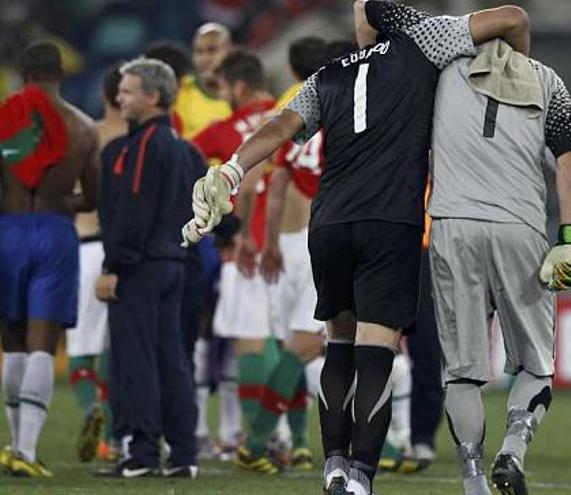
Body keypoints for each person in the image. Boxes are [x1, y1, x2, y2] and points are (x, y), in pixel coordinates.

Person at [182, 2, 531, 493]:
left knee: (337, 349)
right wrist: (513, 89)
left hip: (329, 224)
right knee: (377, 355)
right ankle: (362, 478)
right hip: (389, 222)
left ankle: (335, 468)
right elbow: (514, 18)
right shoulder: (424, 42)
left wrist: (233, 169)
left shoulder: (327, 73)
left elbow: (280, 127)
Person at [426, 33, 571, 495]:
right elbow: (570, 158)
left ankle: (474, 484)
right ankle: (513, 449)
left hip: (453, 226)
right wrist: (570, 236)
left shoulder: (442, 74)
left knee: (462, 370)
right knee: (536, 363)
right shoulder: (547, 79)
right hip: (522, 228)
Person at [96, 58, 200, 478]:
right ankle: (183, 453)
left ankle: (140, 452)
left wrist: (113, 265)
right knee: (171, 359)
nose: (118, 97)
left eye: (127, 90)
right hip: (175, 265)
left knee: (134, 359)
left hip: (140, 266)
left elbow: (132, 210)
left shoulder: (139, 145)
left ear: (153, 96)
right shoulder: (183, 146)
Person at [0, 41, 100, 477]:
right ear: (61, 74)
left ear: (23, 76)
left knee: (13, 343)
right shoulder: (82, 127)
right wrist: (61, 202)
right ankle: (25, 450)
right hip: (56, 235)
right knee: (44, 342)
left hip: (8, 231)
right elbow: (95, 196)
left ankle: (12, 446)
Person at [188, 49, 279, 469]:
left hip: (245, 248)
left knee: (242, 341)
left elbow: (185, 160)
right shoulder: (288, 116)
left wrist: (226, 226)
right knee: (289, 341)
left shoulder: (224, 130)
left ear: (237, 87)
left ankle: (246, 435)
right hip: (294, 243)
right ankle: (283, 436)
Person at [252, 36, 332, 472]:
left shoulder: (287, 111)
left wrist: (263, 240)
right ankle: (258, 441)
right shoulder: (341, 111)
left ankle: (295, 440)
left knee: (291, 345)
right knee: (305, 347)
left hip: (283, 240)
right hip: (317, 240)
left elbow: (276, 179)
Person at [66, 63, 128, 465]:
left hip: (84, 248)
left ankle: (92, 410)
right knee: (117, 351)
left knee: (80, 351)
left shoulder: (84, 137)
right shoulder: (140, 140)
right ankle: (114, 436)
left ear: (104, 97)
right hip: (126, 254)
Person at [176, 23, 233, 140]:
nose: (204, 59)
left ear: (229, 51)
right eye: (199, 51)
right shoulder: (179, 92)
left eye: (212, 50)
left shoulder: (243, 93)